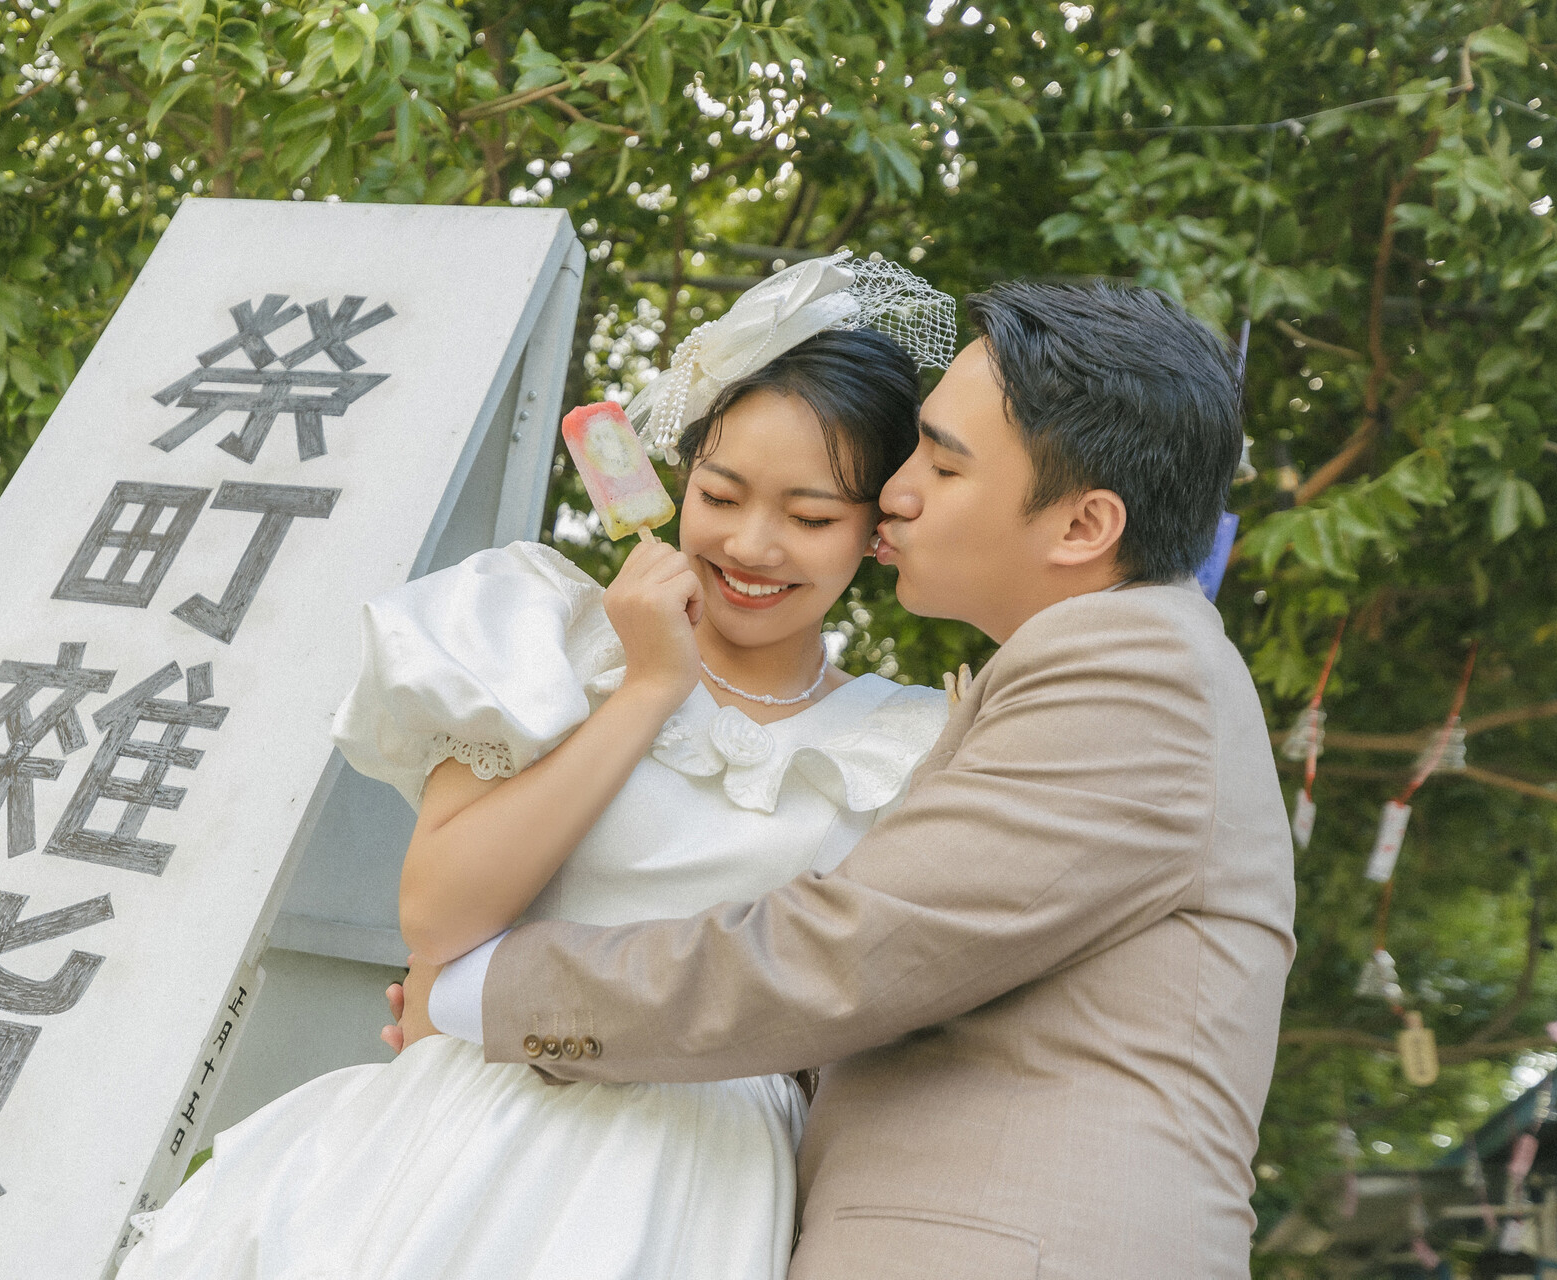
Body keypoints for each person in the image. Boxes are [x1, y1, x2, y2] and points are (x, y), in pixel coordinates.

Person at [399, 281, 1297, 1280]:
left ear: (1084, 524)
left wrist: (479, 993)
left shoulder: (1133, 673)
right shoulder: (1102, 668)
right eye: (721, 494)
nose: (898, 495)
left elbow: (848, 954)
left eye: (942, 465)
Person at [116, 256, 961, 1280]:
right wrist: (650, 686)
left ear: (876, 530)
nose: (751, 543)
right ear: (673, 480)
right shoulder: (546, 638)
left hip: (709, 1190)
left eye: (811, 517)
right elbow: (438, 917)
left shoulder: (909, 747)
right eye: (720, 493)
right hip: (471, 1141)